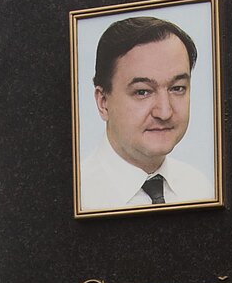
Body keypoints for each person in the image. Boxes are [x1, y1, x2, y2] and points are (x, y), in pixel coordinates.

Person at [79, 16, 214, 211]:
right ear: (103, 102)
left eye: (177, 88)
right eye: (142, 92)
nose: (164, 112)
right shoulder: (78, 196)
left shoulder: (201, 189)